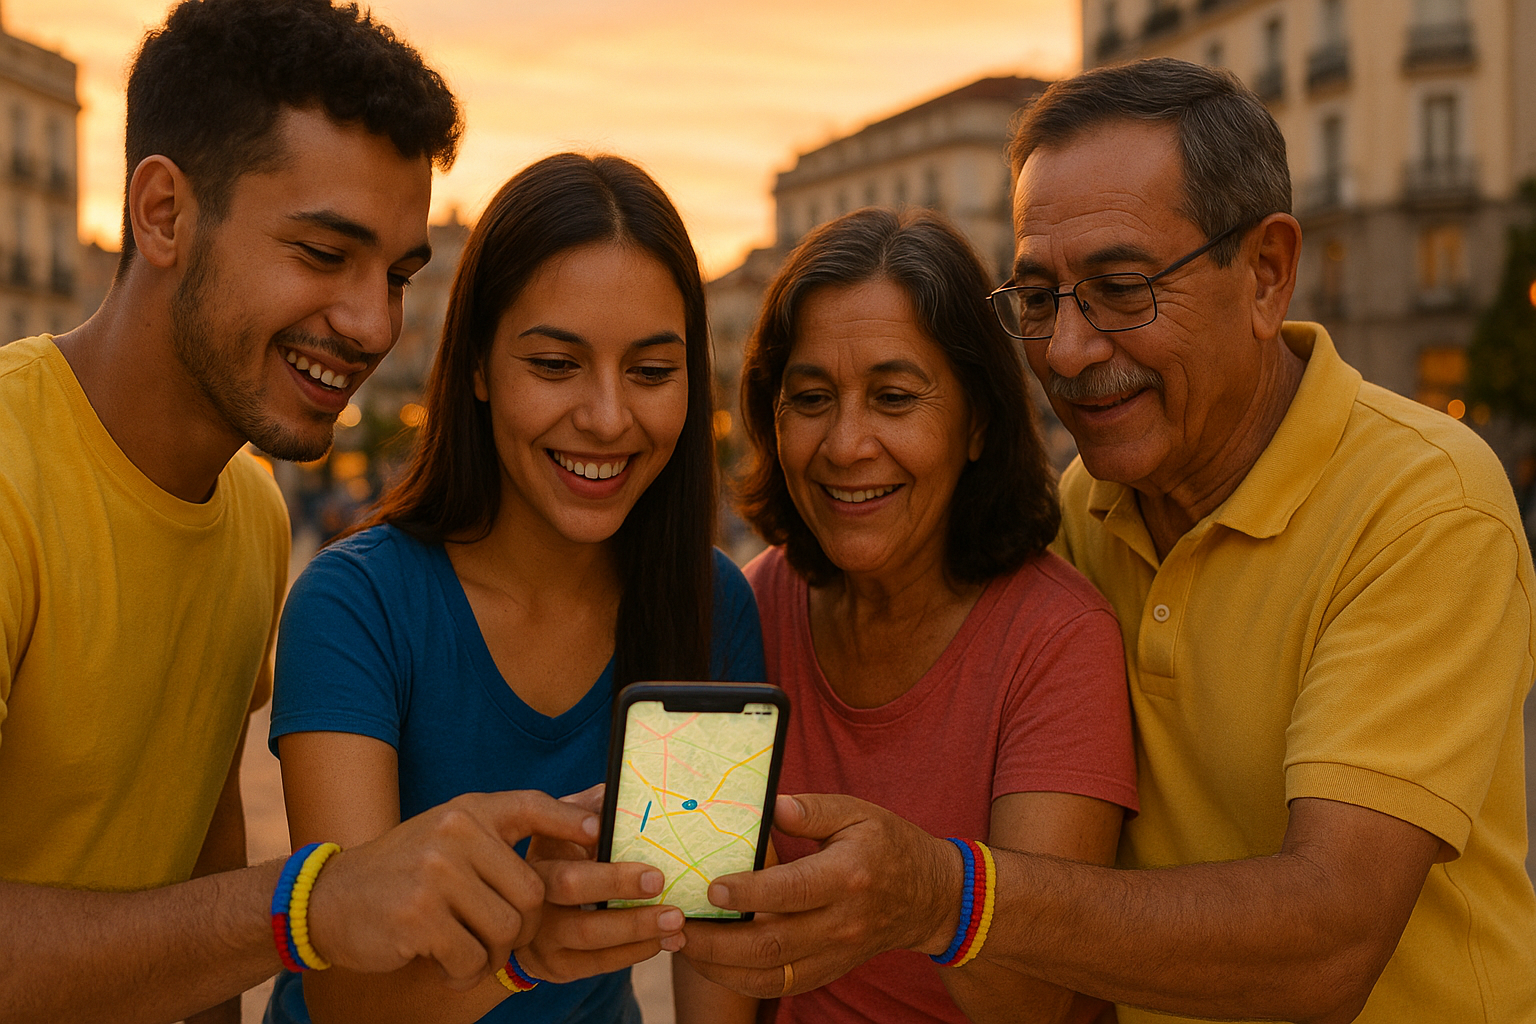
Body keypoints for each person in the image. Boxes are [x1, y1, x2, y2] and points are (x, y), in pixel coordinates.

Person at [686, 57, 1536, 1024]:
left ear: (1266, 274)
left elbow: (1330, 942)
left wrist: (943, 895)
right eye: (1039, 296)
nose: (1067, 349)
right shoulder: (1084, 506)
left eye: (1122, 288)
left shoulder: (1426, 505)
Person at [0, 3, 610, 1021]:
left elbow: (194, 874)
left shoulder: (251, 505)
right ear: (162, 214)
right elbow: (252, 908)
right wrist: (311, 906)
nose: (375, 323)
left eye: (399, 275)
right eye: (325, 254)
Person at [265, 152, 768, 1024]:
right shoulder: (355, 605)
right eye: (555, 364)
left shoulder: (710, 604)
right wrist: (525, 954)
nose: (609, 417)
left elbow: (708, 941)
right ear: (478, 370)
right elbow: (346, 994)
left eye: (652, 373)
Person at [675, 207, 1138, 1024]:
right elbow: (714, 953)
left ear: (978, 423)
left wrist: (924, 898)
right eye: (810, 397)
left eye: (893, 397)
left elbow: (1029, 1000)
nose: (846, 443)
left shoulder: (1058, 640)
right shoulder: (747, 606)